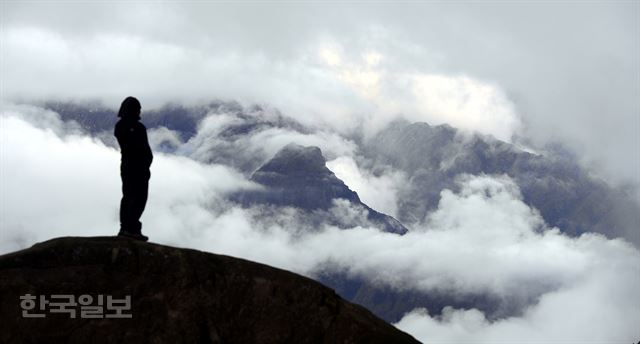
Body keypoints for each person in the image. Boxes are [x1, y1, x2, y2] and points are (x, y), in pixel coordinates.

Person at [115, 96, 152, 241]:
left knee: (135, 197)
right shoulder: (127, 127)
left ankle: (129, 227)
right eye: (137, 109)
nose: (139, 111)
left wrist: (146, 163)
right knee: (133, 196)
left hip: (137, 167)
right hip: (133, 166)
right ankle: (128, 228)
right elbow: (135, 146)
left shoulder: (129, 126)